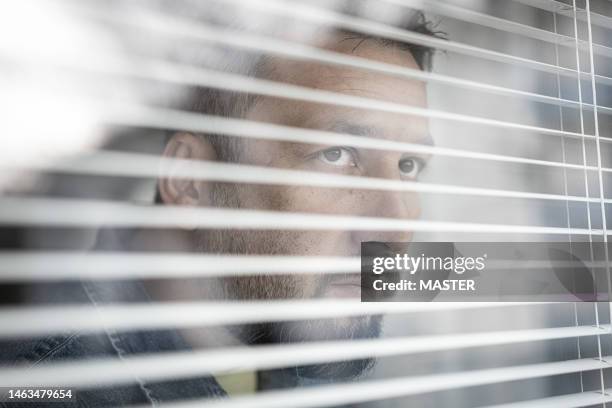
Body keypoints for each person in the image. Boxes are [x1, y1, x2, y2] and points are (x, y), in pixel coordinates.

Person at [0, 7, 442, 407]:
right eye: (337, 154)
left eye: (408, 165)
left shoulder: (301, 352)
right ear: (190, 182)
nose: (398, 226)